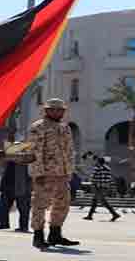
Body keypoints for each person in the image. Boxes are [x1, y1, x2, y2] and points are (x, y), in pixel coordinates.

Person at [27, 98, 79, 249]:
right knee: (40, 204)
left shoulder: (65, 128)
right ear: (46, 110)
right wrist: (38, 173)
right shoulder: (38, 127)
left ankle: (55, 234)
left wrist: (69, 172)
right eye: (54, 109)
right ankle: (38, 236)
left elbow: (69, 152)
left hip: (62, 174)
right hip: (45, 174)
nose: (58, 112)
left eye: (61, 110)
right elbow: (34, 151)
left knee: (62, 204)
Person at [0, 161, 31, 232]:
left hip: (22, 183)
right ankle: (3, 223)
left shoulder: (26, 159)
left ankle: (23, 226)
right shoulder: (9, 159)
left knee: (24, 207)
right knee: (2, 205)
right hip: (9, 183)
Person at [84, 157, 120, 222]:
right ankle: (90, 215)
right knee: (95, 200)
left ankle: (115, 214)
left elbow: (93, 177)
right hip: (105, 187)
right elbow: (109, 178)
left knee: (103, 201)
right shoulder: (108, 168)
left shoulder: (97, 168)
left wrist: (92, 183)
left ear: (98, 162)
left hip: (98, 187)